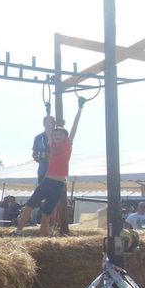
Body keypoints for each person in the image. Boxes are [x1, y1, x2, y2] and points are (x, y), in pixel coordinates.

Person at [14, 100, 84, 237]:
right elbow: (48, 128)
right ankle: (18, 230)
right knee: (29, 205)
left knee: (47, 211)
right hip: (48, 180)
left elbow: (75, 126)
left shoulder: (67, 144)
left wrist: (80, 108)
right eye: (55, 135)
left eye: (60, 135)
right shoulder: (52, 143)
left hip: (59, 183)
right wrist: (48, 111)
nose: (57, 136)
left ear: (65, 136)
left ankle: (41, 235)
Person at [32, 115, 55, 182]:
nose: (50, 125)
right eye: (48, 123)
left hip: (56, 172)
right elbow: (34, 153)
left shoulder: (58, 136)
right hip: (43, 170)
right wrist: (38, 157)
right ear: (44, 124)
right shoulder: (38, 137)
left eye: (52, 123)